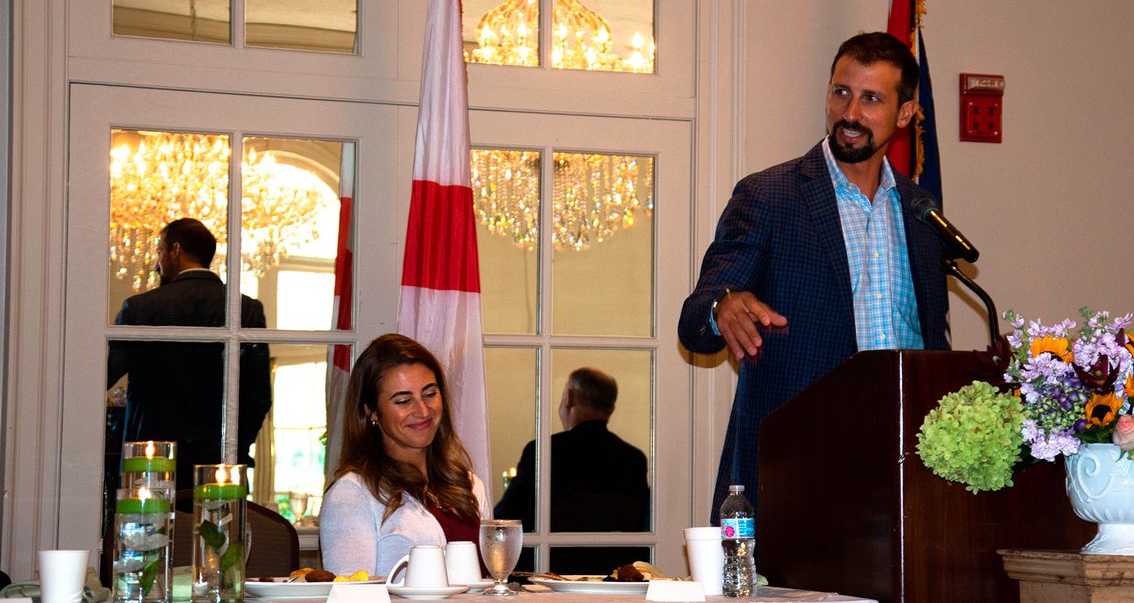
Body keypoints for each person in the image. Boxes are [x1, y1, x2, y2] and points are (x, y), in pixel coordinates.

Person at [678, 31, 951, 522]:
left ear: (906, 113)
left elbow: (934, 345)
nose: (850, 114)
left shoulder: (921, 216)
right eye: (841, 93)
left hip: (906, 476)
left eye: (871, 99)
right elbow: (695, 320)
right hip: (800, 473)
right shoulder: (770, 196)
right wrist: (723, 308)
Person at [108, 217, 272, 487]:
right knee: (219, 529)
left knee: (151, 529)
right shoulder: (247, 310)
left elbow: (105, 375)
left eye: (159, 252)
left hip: (151, 462)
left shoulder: (142, 307)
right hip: (222, 462)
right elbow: (258, 396)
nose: (156, 263)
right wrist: (235, 446)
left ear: (175, 249)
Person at [320, 334, 491, 578]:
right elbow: (349, 595)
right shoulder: (352, 494)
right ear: (372, 411)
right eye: (403, 400)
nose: (422, 411)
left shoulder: (470, 485)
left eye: (430, 394)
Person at [494, 367, 649, 572]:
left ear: (568, 398)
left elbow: (505, 517)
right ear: (610, 408)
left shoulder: (544, 451)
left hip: (549, 573)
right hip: (612, 574)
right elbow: (641, 526)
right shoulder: (633, 458)